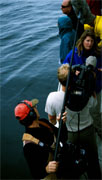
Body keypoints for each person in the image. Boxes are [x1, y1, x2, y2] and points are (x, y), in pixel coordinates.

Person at [45, 64, 101, 179]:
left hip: (70, 134)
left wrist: (59, 121)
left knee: (71, 161)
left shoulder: (52, 97)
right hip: (88, 131)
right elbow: (94, 105)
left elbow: (51, 119)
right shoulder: (86, 93)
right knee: (93, 160)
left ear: (59, 80)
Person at [63, 29, 102, 175]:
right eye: (87, 40)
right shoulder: (73, 54)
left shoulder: (98, 54)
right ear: (82, 40)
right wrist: (73, 70)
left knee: (96, 113)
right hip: (79, 91)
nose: (89, 43)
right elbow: (64, 67)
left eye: (92, 41)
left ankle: (99, 131)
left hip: (95, 90)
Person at [14, 98, 68, 180]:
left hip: (62, 168)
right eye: (34, 107)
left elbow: (63, 137)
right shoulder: (29, 146)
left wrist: (62, 124)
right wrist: (46, 169)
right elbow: (36, 174)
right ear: (32, 114)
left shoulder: (43, 122)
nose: (36, 108)